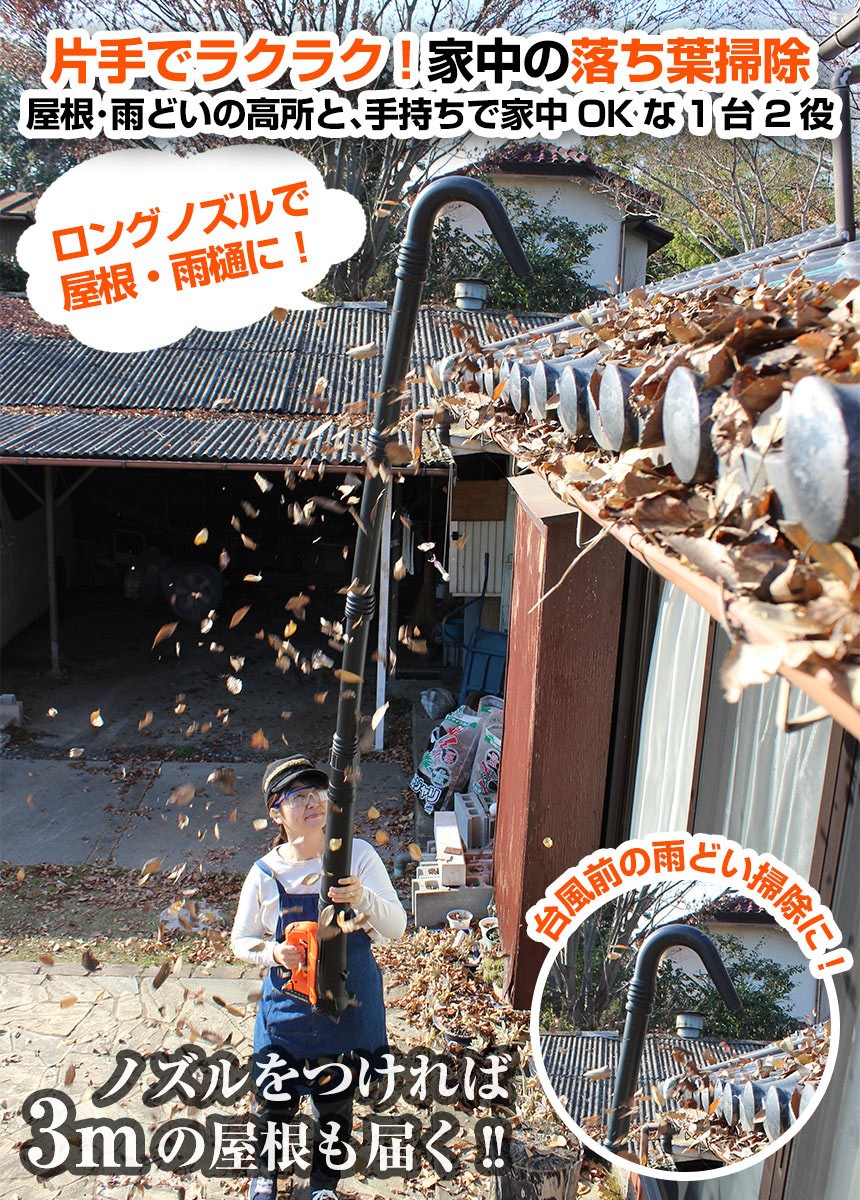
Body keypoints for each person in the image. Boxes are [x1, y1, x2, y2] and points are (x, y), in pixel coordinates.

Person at [230, 755, 407, 1200]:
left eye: (318, 793)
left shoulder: (357, 855)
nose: (313, 803)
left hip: (346, 1007)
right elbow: (241, 940)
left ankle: (323, 1186)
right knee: (274, 1102)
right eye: (298, 796)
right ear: (276, 811)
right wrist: (273, 952)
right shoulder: (265, 874)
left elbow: (397, 928)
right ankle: (265, 1177)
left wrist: (362, 896)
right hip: (287, 1009)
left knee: (334, 1104)